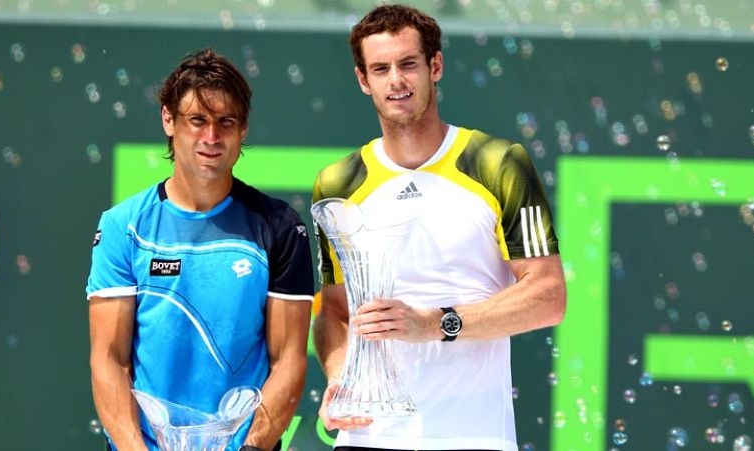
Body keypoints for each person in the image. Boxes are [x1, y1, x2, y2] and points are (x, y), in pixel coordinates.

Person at [312, 5, 567, 451]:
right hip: (367, 436)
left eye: (408, 64)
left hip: (473, 435)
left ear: (435, 66)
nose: (396, 80)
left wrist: (435, 324)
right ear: (362, 79)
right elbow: (335, 310)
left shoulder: (499, 162)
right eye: (381, 68)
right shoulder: (337, 183)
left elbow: (548, 296)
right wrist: (340, 374)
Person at [87, 48, 314, 451]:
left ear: (243, 129)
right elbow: (109, 360)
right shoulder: (124, 226)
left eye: (225, 122)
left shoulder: (279, 226)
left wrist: (251, 447)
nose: (211, 137)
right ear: (168, 120)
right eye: (197, 121)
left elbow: (290, 360)